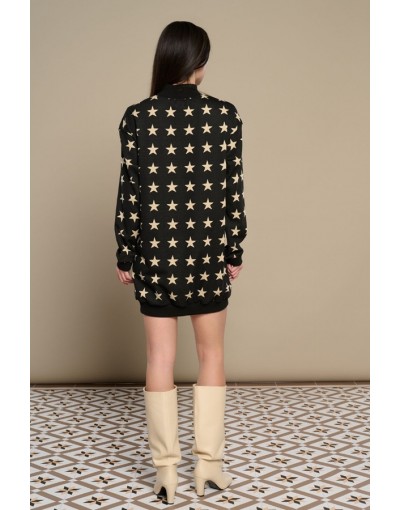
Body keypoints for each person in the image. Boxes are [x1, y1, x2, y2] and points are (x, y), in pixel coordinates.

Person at [113, 21, 247, 504]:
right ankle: (208, 466)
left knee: (159, 359)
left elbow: (129, 193)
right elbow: (233, 190)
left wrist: (125, 251)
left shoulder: (136, 117)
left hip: (156, 257)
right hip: (207, 255)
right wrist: (234, 248)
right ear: (200, 63)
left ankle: (166, 472)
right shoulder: (225, 116)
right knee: (212, 356)